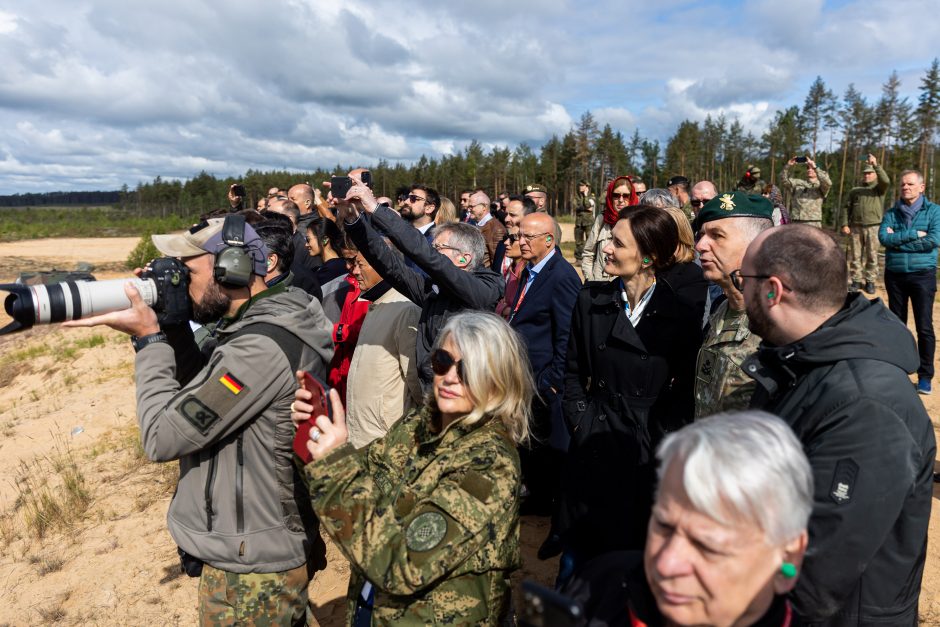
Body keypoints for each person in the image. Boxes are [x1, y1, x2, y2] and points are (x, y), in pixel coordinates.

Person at [64, 216, 333, 624]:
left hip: (251, 570)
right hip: (260, 545)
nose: (176, 280)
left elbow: (160, 436)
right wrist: (171, 323)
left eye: (185, 271)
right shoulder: (269, 320)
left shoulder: (256, 349)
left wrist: (149, 341)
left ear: (235, 267)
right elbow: (199, 387)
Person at [740, 224, 935, 626]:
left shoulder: (866, 406)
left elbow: (817, 569)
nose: (739, 292)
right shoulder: (798, 363)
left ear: (772, 291)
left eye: (742, 280)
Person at [293, 312, 534, 625]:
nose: (449, 377)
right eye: (442, 361)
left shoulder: (490, 464)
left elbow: (405, 565)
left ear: (498, 380)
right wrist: (314, 438)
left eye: (468, 370)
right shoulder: (417, 425)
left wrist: (333, 464)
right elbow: (360, 478)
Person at [555, 205, 706, 572]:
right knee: (579, 559)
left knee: (632, 564)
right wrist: (581, 422)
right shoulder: (591, 301)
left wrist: (660, 439)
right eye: (609, 239)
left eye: (618, 243)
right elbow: (572, 372)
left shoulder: (681, 312)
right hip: (594, 441)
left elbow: (684, 388)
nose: (606, 248)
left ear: (648, 257)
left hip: (647, 454)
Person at [563, 410, 813, 627]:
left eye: (707, 545)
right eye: (663, 526)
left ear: (788, 558)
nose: (666, 563)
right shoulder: (597, 586)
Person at [338, 174, 504, 387]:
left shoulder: (484, 289)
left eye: (438, 248)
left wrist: (376, 210)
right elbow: (390, 265)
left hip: (467, 392)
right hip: (433, 392)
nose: (431, 253)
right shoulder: (435, 291)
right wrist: (354, 220)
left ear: (464, 259)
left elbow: (427, 256)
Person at [510, 212, 582, 514]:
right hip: (527, 377)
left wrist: (551, 381)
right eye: (519, 235)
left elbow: (567, 334)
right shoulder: (531, 271)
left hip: (545, 380)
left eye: (528, 237)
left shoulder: (561, 276)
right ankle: (538, 497)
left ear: (549, 240)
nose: (520, 241)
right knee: (531, 441)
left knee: (548, 445)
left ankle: (548, 504)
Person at [692, 191, 773, 418]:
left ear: (756, 246)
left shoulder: (777, 325)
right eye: (701, 235)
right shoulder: (722, 308)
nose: (700, 246)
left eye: (717, 236)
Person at [344, 244, 422, 448]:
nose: (355, 271)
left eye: (360, 264)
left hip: (386, 438)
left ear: (384, 266)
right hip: (364, 434)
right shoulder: (378, 303)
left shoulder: (405, 308)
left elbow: (414, 378)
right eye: (354, 264)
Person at [879, 169, 940, 395]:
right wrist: (915, 234)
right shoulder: (892, 212)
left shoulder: (934, 212)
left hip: (922, 274)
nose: (906, 187)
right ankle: (898, 371)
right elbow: (884, 238)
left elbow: (934, 240)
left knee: (924, 326)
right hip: (894, 275)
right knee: (897, 325)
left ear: (921, 187)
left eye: (911, 184)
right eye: (903, 184)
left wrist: (898, 240)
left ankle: (925, 376)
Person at [841, 154, 889, 294]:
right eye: (865, 173)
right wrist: (845, 224)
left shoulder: (879, 189)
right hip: (855, 227)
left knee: (872, 256)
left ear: (875, 174)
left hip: (874, 227)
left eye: (870, 173)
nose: (867, 175)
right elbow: (846, 208)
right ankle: (856, 280)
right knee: (855, 256)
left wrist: (876, 165)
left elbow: (885, 180)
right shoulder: (855, 191)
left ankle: (870, 281)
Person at [582, 176, 637, 282]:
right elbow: (588, 253)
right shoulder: (602, 219)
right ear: (610, 197)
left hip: (626, 287)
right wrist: (591, 279)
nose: (621, 200)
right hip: (600, 285)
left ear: (631, 197)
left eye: (625, 196)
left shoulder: (638, 222)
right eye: (616, 195)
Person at [780, 157, 831, 228]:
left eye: (812, 168)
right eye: (808, 168)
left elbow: (827, 183)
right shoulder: (797, 183)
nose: (809, 170)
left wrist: (815, 167)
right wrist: (788, 166)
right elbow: (784, 181)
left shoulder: (821, 186)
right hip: (796, 222)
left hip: (813, 223)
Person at [469, 189, 507, 267]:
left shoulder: (496, 229)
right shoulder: (477, 225)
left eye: (471, 206)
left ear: (484, 207)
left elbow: (497, 263)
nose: (469, 209)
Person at [574, 180, 597, 261]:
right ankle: (579, 259)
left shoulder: (592, 196)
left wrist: (586, 195)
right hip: (579, 222)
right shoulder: (576, 197)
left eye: (583, 186)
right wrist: (586, 209)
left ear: (587, 187)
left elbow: (587, 204)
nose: (580, 187)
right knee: (578, 242)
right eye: (580, 186)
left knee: (590, 241)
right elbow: (575, 207)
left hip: (589, 223)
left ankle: (589, 259)